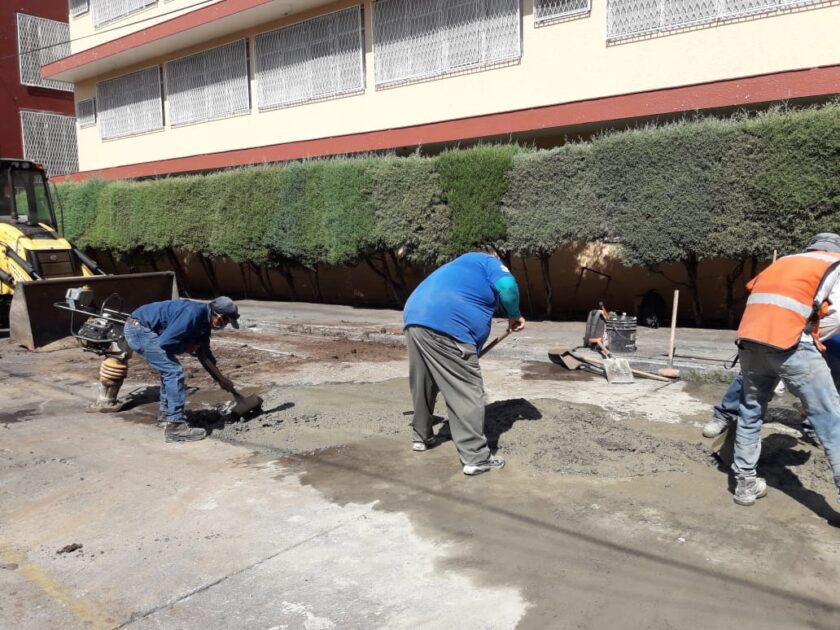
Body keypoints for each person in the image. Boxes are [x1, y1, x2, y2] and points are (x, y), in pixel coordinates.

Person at [730, 233, 840, 506]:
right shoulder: (834, 264)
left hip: (750, 342)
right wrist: (814, 337)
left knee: (750, 412)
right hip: (792, 344)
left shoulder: (784, 262)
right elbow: (837, 315)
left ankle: (745, 485)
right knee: (830, 417)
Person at [402, 251, 525, 475]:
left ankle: (421, 437)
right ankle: (476, 457)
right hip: (448, 322)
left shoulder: (458, 267)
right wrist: (514, 314)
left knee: (424, 382)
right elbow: (507, 287)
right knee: (466, 389)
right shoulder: (489, 262)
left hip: (415, 317)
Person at [123, 296, 239, 443]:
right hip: (138, 329)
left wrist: (220, 379)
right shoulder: (192, 314)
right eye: (226, 322)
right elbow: (166, 342)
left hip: (145, 328)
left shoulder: (204, 323)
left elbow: (204, 353)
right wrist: (186, 347)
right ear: (218, 316)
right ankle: (175, 427)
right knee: (173, 371)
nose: (224, 326)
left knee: (169, 370)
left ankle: (167, 415)